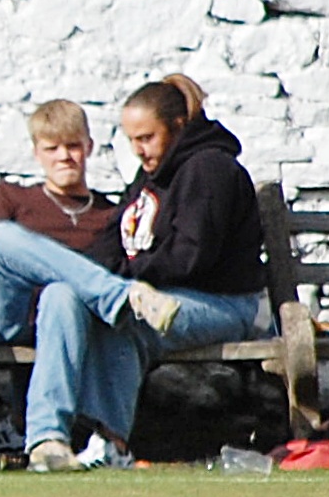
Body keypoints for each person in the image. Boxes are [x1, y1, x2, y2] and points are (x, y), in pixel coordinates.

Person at [0, 100, 145, 471]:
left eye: (73, 146)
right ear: (37, 153)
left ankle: (48, 441)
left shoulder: (109, 215)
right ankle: (113, 293)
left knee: (61, 294)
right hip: (2, 312)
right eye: (52, 148)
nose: (64, 157)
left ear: (89, 147)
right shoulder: (13, 197)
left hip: (62, 324)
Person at [114, 76, 271, 350]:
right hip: (159, 295)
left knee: (122, 326)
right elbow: (116, 227)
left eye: (147, 138)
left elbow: (189, 256)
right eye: (132, 140)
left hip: (221, 303)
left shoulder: (209, 170)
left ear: (177, 127)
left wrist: (126, 272)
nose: (138, 150)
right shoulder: (151, 174)